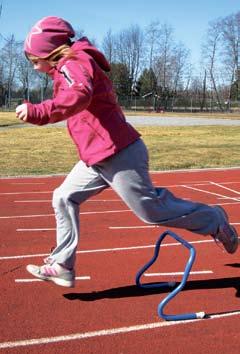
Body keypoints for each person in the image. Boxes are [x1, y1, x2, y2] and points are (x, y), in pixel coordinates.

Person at [16, 16, 239, 288]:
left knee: (151, 212)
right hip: (97, 156)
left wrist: (39, 111)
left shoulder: (73, 64)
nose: (34, 66)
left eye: (34, 60)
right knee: (63, 197)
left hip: (119, 153)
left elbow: (79, 95)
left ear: (49, 52)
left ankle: (214, 220)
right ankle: (62, 265)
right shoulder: (67, 67)